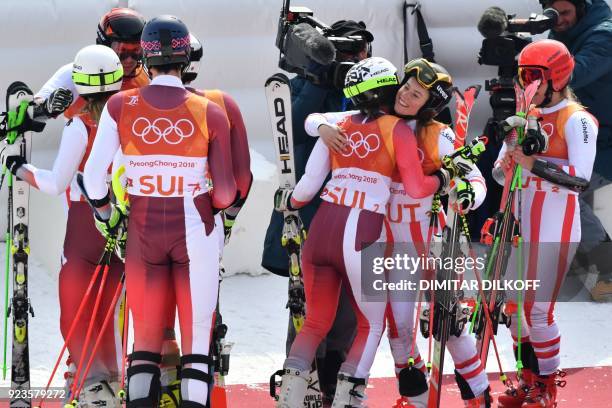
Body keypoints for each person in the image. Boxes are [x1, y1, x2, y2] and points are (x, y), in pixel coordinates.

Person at [307, 58, 492, 408]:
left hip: (432, 242)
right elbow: (314, 120)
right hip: (389, 244)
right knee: (400, 330)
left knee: (449, 325)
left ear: (430, 104)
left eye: (417, 94)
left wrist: (469, 194)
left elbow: (474, 178)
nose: (406, 95)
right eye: (406, 87)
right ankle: (416, 400)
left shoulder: (438, 134)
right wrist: (320, 127)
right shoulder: (377, 122)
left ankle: (479, 395)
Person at [272, 56, 454, 408]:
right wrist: (443, 179)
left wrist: (289, 202)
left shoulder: (337, 123)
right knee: (370, 325)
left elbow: (307, 187)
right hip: (362, 232)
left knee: (314, 323)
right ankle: (348, 400)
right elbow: (417, 189)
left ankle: (289, 398)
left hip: (322, 227)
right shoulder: (398, 129)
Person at [82, 15, 236, 407]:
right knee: (197, 347)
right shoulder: (210, 110)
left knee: (144, 346)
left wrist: (108, 214)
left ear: (147, 58)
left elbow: (93, 179)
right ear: (185, 57)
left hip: (143, 229)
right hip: (195, 229)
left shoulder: (119, 104)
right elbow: (226, 193)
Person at [1, 45, 125, 406]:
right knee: (109, 307)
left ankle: (88, 386)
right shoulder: (131, 114)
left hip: (87, 220)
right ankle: (111, 386)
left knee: (75, 308)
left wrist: (18, 168)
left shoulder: (81, 124)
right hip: (124, 222)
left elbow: (56, 182)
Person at [262, 19, 373, 404]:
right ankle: (301, 384)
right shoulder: (302, 88)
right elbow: (289, 130)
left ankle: (334, 384)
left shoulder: (374, 93)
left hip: (359, 218)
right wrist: (318, 80)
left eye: (356, 53)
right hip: (309, 221)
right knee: (308, 309)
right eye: (340, 53)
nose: (349, 62)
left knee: (347, 313)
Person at [495, 39, 597, 408]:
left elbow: (580, 177)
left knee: (537, 309)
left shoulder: (577, 118)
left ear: (555, 76)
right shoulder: (524, 118)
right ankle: (528, 380)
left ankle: (547, 387)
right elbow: (499, 171)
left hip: (556, 224)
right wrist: (506, 163)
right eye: (522, 76)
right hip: (521, 225)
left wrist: (532, 164)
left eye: (533, 76)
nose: (526, 85)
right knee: (514, 308)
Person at [542, 0, 612, 301]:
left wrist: (535, 65)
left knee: (565, 187)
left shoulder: (604, 35)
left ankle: (606, 268)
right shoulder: (564, 36)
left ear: (583, 8)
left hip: (606, 144)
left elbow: (573, 74)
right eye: (552, 15)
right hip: (585, 139)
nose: (559, 21)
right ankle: (574, 256)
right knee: (541, 176)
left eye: (565, 13)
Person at [35, 7, 149, 120]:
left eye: (136, 50)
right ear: (104, 44)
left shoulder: (148, 73)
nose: (129, 59)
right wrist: (46, 107)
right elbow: (31, 110)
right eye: (121, 51)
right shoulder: (78, 72)